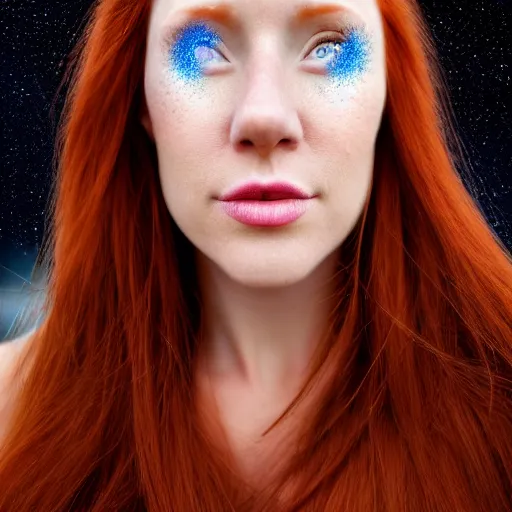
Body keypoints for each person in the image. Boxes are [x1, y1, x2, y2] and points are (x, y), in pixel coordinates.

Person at [0, 0, 511, 509]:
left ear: (389, 90)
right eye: (203, 50)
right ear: (140, 99)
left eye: (328, 48)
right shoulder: (10, 414)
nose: (264, 118)